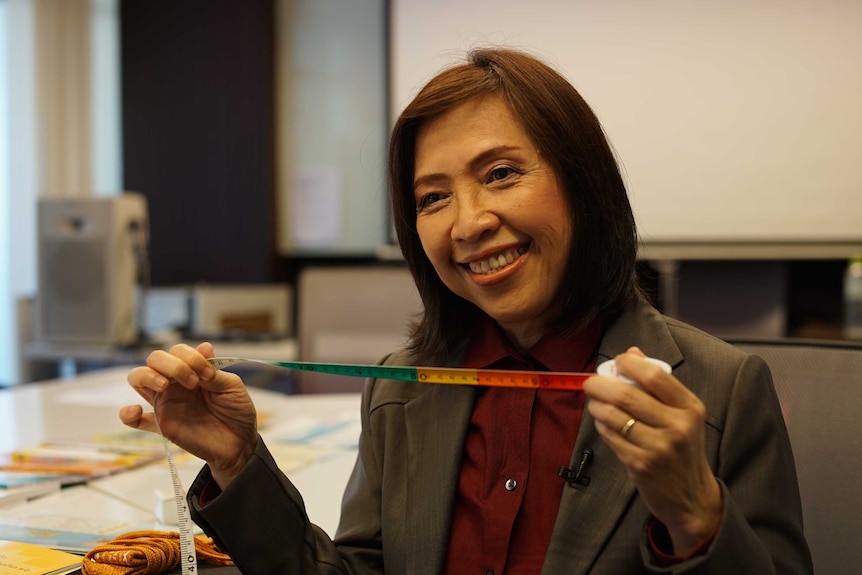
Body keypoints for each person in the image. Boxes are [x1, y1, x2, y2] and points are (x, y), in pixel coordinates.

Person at [122, 48, 812, 574]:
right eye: (432, 197)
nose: (468, 223)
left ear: (584, 182)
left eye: (501, 174)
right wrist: (241, 461)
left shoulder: (721, 387)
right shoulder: (402, 391)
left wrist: (697, 515)